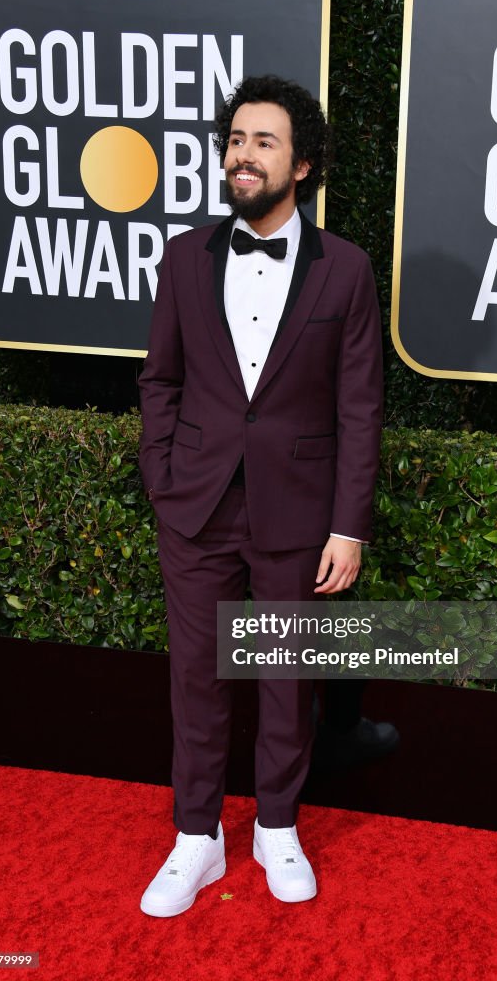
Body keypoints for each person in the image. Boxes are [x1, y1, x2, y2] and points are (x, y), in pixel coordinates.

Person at [137, 74, 383, 916]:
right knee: (197, 680)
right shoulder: (182, 256)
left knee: (285, 677)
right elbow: (159, 380)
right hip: (196, 505)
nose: (243, 154)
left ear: (303, 164)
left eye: (263, 141)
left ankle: (278, 825)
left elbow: (360, 406)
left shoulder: (345, 270)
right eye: (236, 139)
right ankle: (196, 838)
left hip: (299, 511)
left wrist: (348, 527)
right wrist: (163, 477)